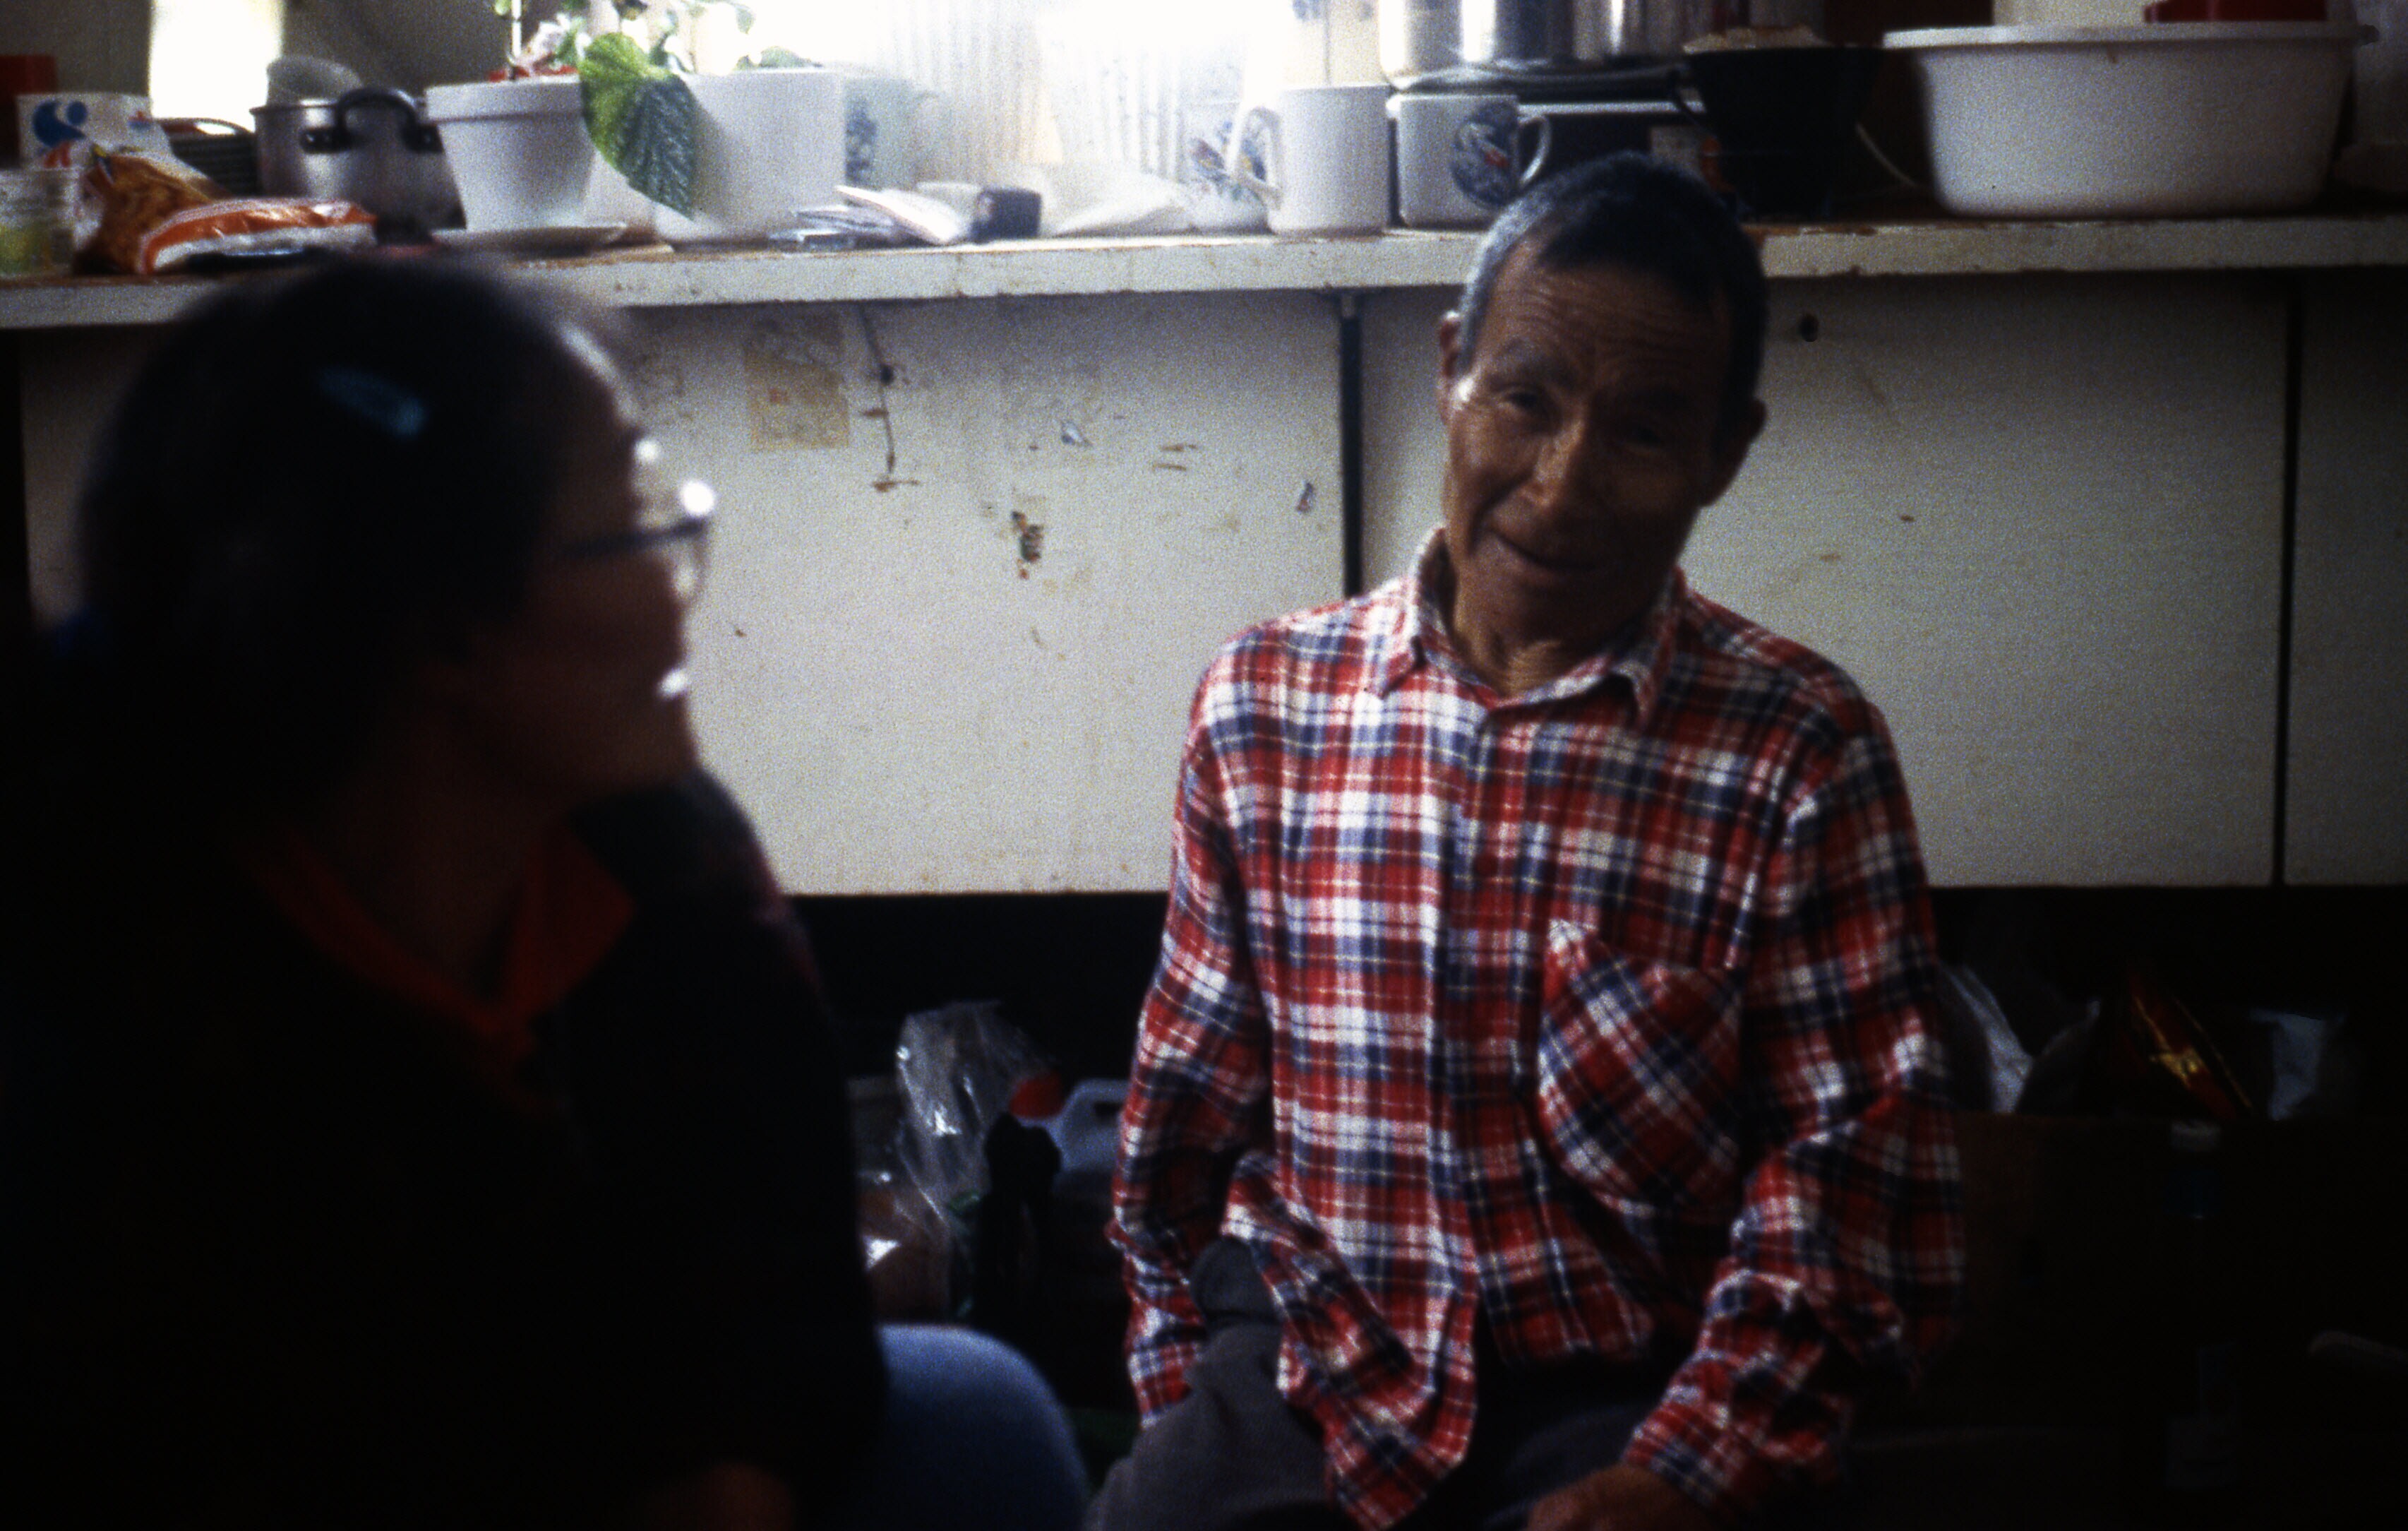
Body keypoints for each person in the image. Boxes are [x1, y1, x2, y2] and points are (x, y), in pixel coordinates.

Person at [0, 258, 1084, 1531]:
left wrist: (728, 1471)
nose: (678, 590)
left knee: (976, 1425)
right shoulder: (97, 988)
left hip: (541, 1430)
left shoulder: (661, 859)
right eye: (627, 529)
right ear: (438, 623)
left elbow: (775, 1302)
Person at [1097, 155, 1965, 1531]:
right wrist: (1183, 1402)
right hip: (1312, 1365)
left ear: (1725, 453)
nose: (1561, 490)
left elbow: (1849, 1192)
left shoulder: (1797, 751)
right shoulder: (1264, 706)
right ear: (1451, 370)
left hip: (1628, 1391)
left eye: (1643, 432)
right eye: (1524, 401)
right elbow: (1180, 1137)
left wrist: (1684, 1471)